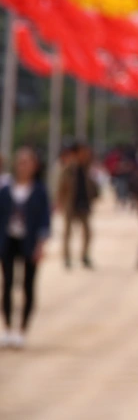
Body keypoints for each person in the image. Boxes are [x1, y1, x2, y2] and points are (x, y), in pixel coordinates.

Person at [0, 148, 51, 349]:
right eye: (20, 162)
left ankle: (22, 330)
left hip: (30, 243)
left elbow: (45, 220)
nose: (23, 166)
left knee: (28, 286)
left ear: (35, 166)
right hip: (8, 241)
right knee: (8, 284)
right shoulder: (6, 189)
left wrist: (41, 245)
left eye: (27, 162)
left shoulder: (40, 191)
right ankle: (7, 328)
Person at [55, 143, 97, 269]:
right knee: (67, 233)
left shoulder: (86, 168)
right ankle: (67, 257)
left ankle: (84, 256)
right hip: (71, 205)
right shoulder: (68, 169)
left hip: (83, 204)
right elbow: (61, 187)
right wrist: (60, 203)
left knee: (87, 232)